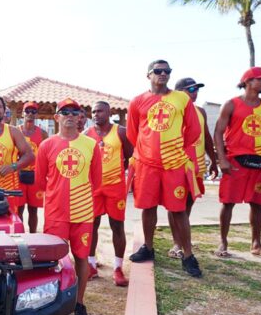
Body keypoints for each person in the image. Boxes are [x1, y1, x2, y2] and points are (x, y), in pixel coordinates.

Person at [126, 60, 203, 278]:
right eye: (158, 71)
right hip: (147, 165)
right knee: (147, 208)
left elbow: (193, 130)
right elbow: (133, 133)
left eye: (167, 71)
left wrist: (175, 149)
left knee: (178, 211)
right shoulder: (137, 102)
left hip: (174, 164)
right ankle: (148, 248)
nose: (163, 74)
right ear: (148, 75)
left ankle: (188, 255)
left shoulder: (181, 99)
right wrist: (147, 150)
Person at [35, 98, 104, 315]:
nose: (70, 115)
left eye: (75, 111)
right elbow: (40, 181)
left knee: (81, 258)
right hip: (55, 212)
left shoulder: (91, 145)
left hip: (83, 212)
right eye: (65, 111)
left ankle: (79, 303)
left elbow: (96, 181)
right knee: (51, 259)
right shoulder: (46, 145)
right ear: (57, 117)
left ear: (80, 117)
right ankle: (50, 304)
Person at [213, 67, 261, 261]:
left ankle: (256, 244)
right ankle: (223, 241)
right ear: (248, 81)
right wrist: (222, 159)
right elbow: (218, 132)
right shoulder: (231, 104)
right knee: (228, 202)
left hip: (259, 161)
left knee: (257, 203)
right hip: (235, 160)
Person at [167, 78, 218, 258]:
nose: (195, 92)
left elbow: (207, 136)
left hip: (197, 166)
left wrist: (213, 159)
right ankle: (176, 244)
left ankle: (182, 240)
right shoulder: (172, 109)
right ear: (179, 91)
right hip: (177, 164)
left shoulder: (200, 111)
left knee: (187, 204)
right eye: (191, 89)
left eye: (197, 89)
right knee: (175, 206)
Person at [86, 100, 132, 287]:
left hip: (115, 187)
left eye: (100, 111)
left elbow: (128, 155)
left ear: (109, 112)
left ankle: (118, 268)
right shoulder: (86, 135)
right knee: (92, 226)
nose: (96, 114)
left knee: (117, 226)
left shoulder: (120, 132)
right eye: (94, 112)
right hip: (94, 187)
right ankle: (90, 264)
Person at [15, 101, 48, 232]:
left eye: (33, 111)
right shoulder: (15, 131)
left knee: (33, 210)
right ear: (22, 113)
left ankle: (33, 236)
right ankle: (21, 236)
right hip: (18, 175)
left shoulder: (43, 133)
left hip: (35, 176)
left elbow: (47, 155)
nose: (30, 114)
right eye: (27, 111)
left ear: (37, 114)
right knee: (19, 209)